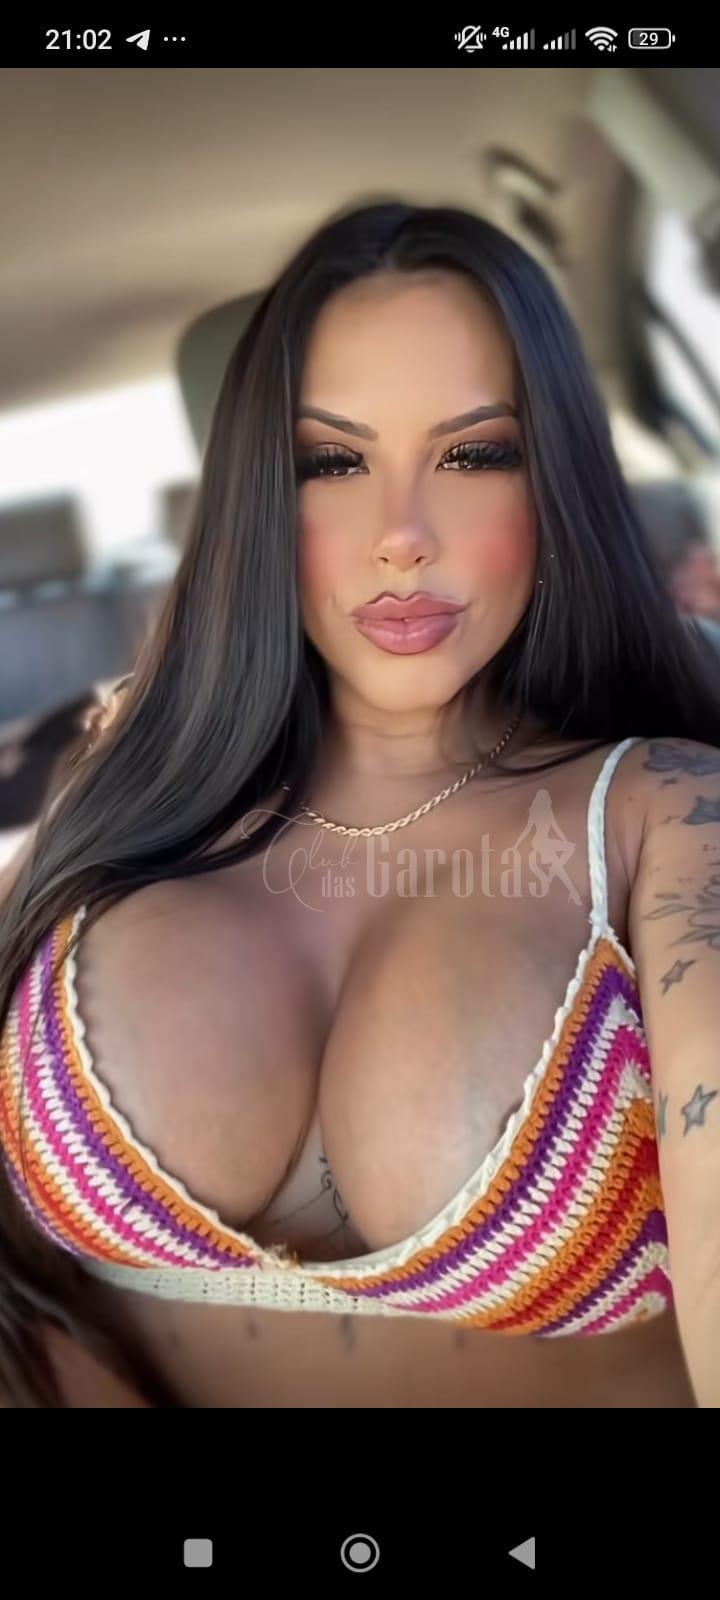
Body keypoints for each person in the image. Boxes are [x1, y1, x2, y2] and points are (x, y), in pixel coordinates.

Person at [2, 199, 720, 1409]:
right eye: (332, 462)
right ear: (257, 495)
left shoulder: (668, 814)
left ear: (558, 481)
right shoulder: (110, 798)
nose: (401, 537)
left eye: (474, 454)